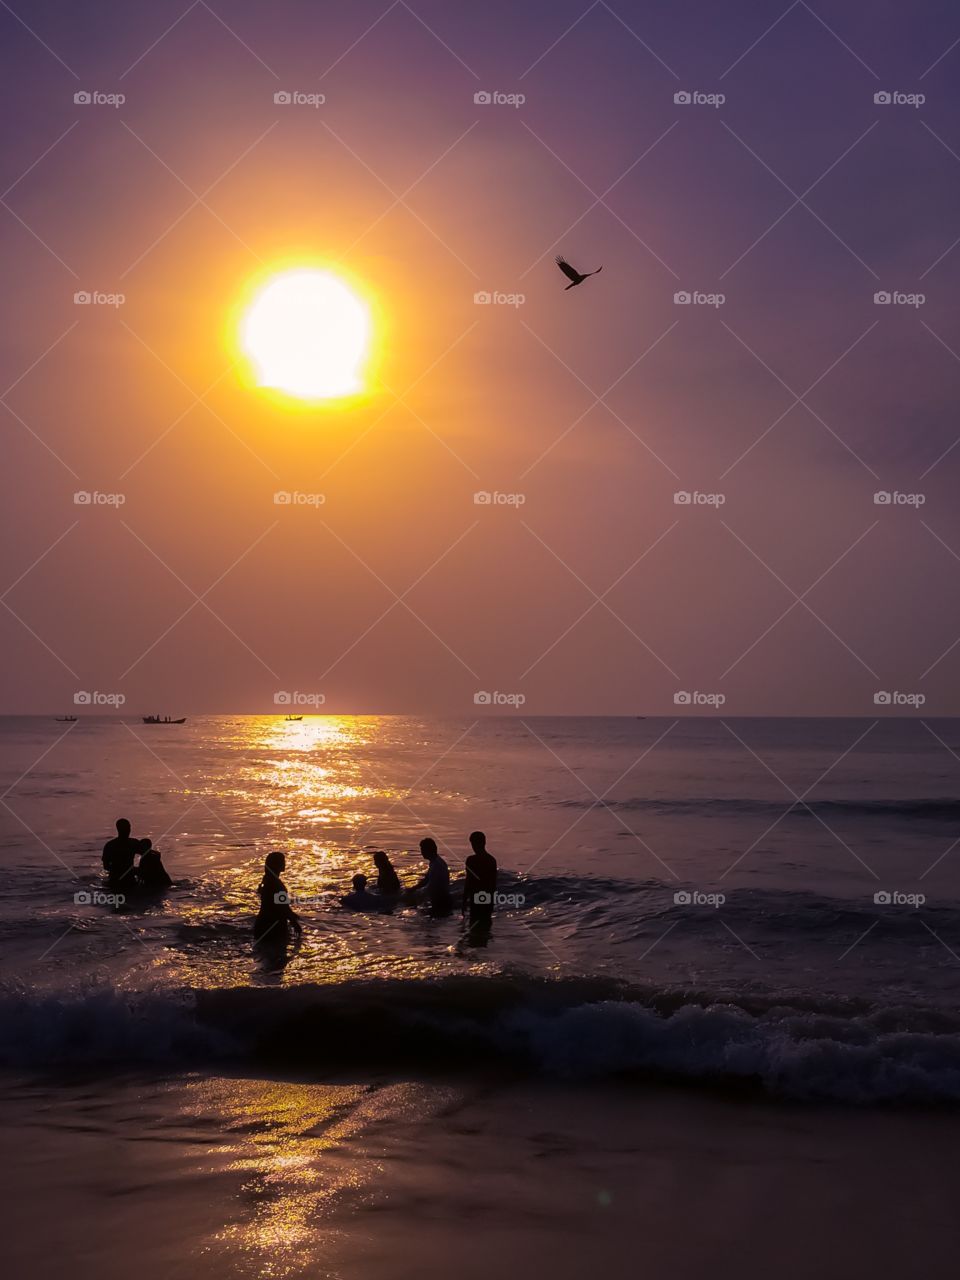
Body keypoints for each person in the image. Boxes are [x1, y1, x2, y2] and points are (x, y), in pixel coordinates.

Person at [253, 851, 302, 943]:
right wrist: (295, 924)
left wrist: (291, 914)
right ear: (277, 865)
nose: (285, 863)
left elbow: (275, 905)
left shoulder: (266, 880)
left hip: (262, 924)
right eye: (282, 861)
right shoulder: (277, 885)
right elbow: (283, 907)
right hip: (274, 927)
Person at [462, 830, 498, 928]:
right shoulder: (491, 860)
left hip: (476, 898)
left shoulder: (471, 860)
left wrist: (464, 901)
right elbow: (493, 884)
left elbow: (468, 881)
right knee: (485, 925)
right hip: (487, 899)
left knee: (474, 925)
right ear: (484, 842)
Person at [412, 837, 451, 913]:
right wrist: (413, 889)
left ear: (429, 850)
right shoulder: (433, 862)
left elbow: (432, 886)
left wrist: (420, 895)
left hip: (441, 901)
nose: (421, 852)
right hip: (438, 899)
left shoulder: (437, 865)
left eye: (423, 850)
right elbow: (426, 880)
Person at [102, 818, 140, 891]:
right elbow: (106, 866)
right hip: (118, 878)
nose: (128, 830)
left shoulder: (133, 843)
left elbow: (146, 852)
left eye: (128, 828)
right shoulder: (111, 845)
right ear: (119, 829)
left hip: (124, 877)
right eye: (126, 828)